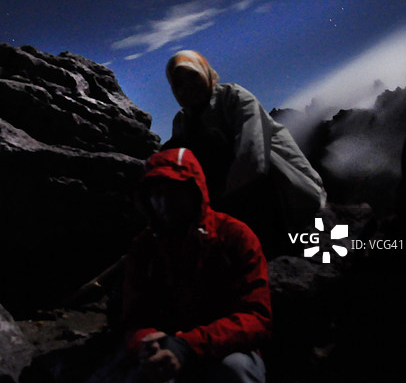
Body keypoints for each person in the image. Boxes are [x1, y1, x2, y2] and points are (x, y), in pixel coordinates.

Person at [120, 147, 271, 382]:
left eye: (174, 191)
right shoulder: (144, 247)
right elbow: (133, 318)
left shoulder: (234, 235)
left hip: (224, 347)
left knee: (236, 370)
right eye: (156, 193)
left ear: (194, 190)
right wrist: (147, 344)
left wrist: (186, 345)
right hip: (166, 349)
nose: (163, 202)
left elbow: (256, 317)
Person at [163, 50, 326, 255]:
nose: (188, 87)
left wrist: (214, 206)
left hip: (281, 185)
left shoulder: (235, 97)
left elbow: (253, 156)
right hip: (230, 197)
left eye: (193, 76)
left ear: (205, 72)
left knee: (210, 140)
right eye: (179, 84)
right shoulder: (182, 121)